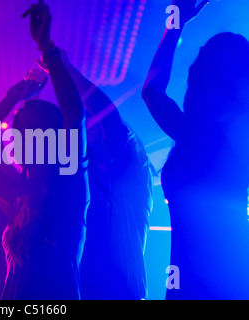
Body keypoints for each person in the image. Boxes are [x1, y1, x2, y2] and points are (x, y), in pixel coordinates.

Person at [0, 0, 90, 300]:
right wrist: (10, 100)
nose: (16, 132)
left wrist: (47, 49)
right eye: (17, 125)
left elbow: (75, 117)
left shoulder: (68, 182)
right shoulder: (20, 193)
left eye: (24, 126)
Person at [142, 0, 249, 299]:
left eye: (222, 65)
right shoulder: (193, 133)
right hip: (185, 279)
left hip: (228, 277)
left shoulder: (241, 128)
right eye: (208, 62)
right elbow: (151, 92)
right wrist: (176, 24)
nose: (211, 71)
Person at [37, 49, 154, 299]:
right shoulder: (81, 180)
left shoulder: (133, 166)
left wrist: (64, 67)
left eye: (88, 122)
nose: (84, 129)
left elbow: (108, 114)